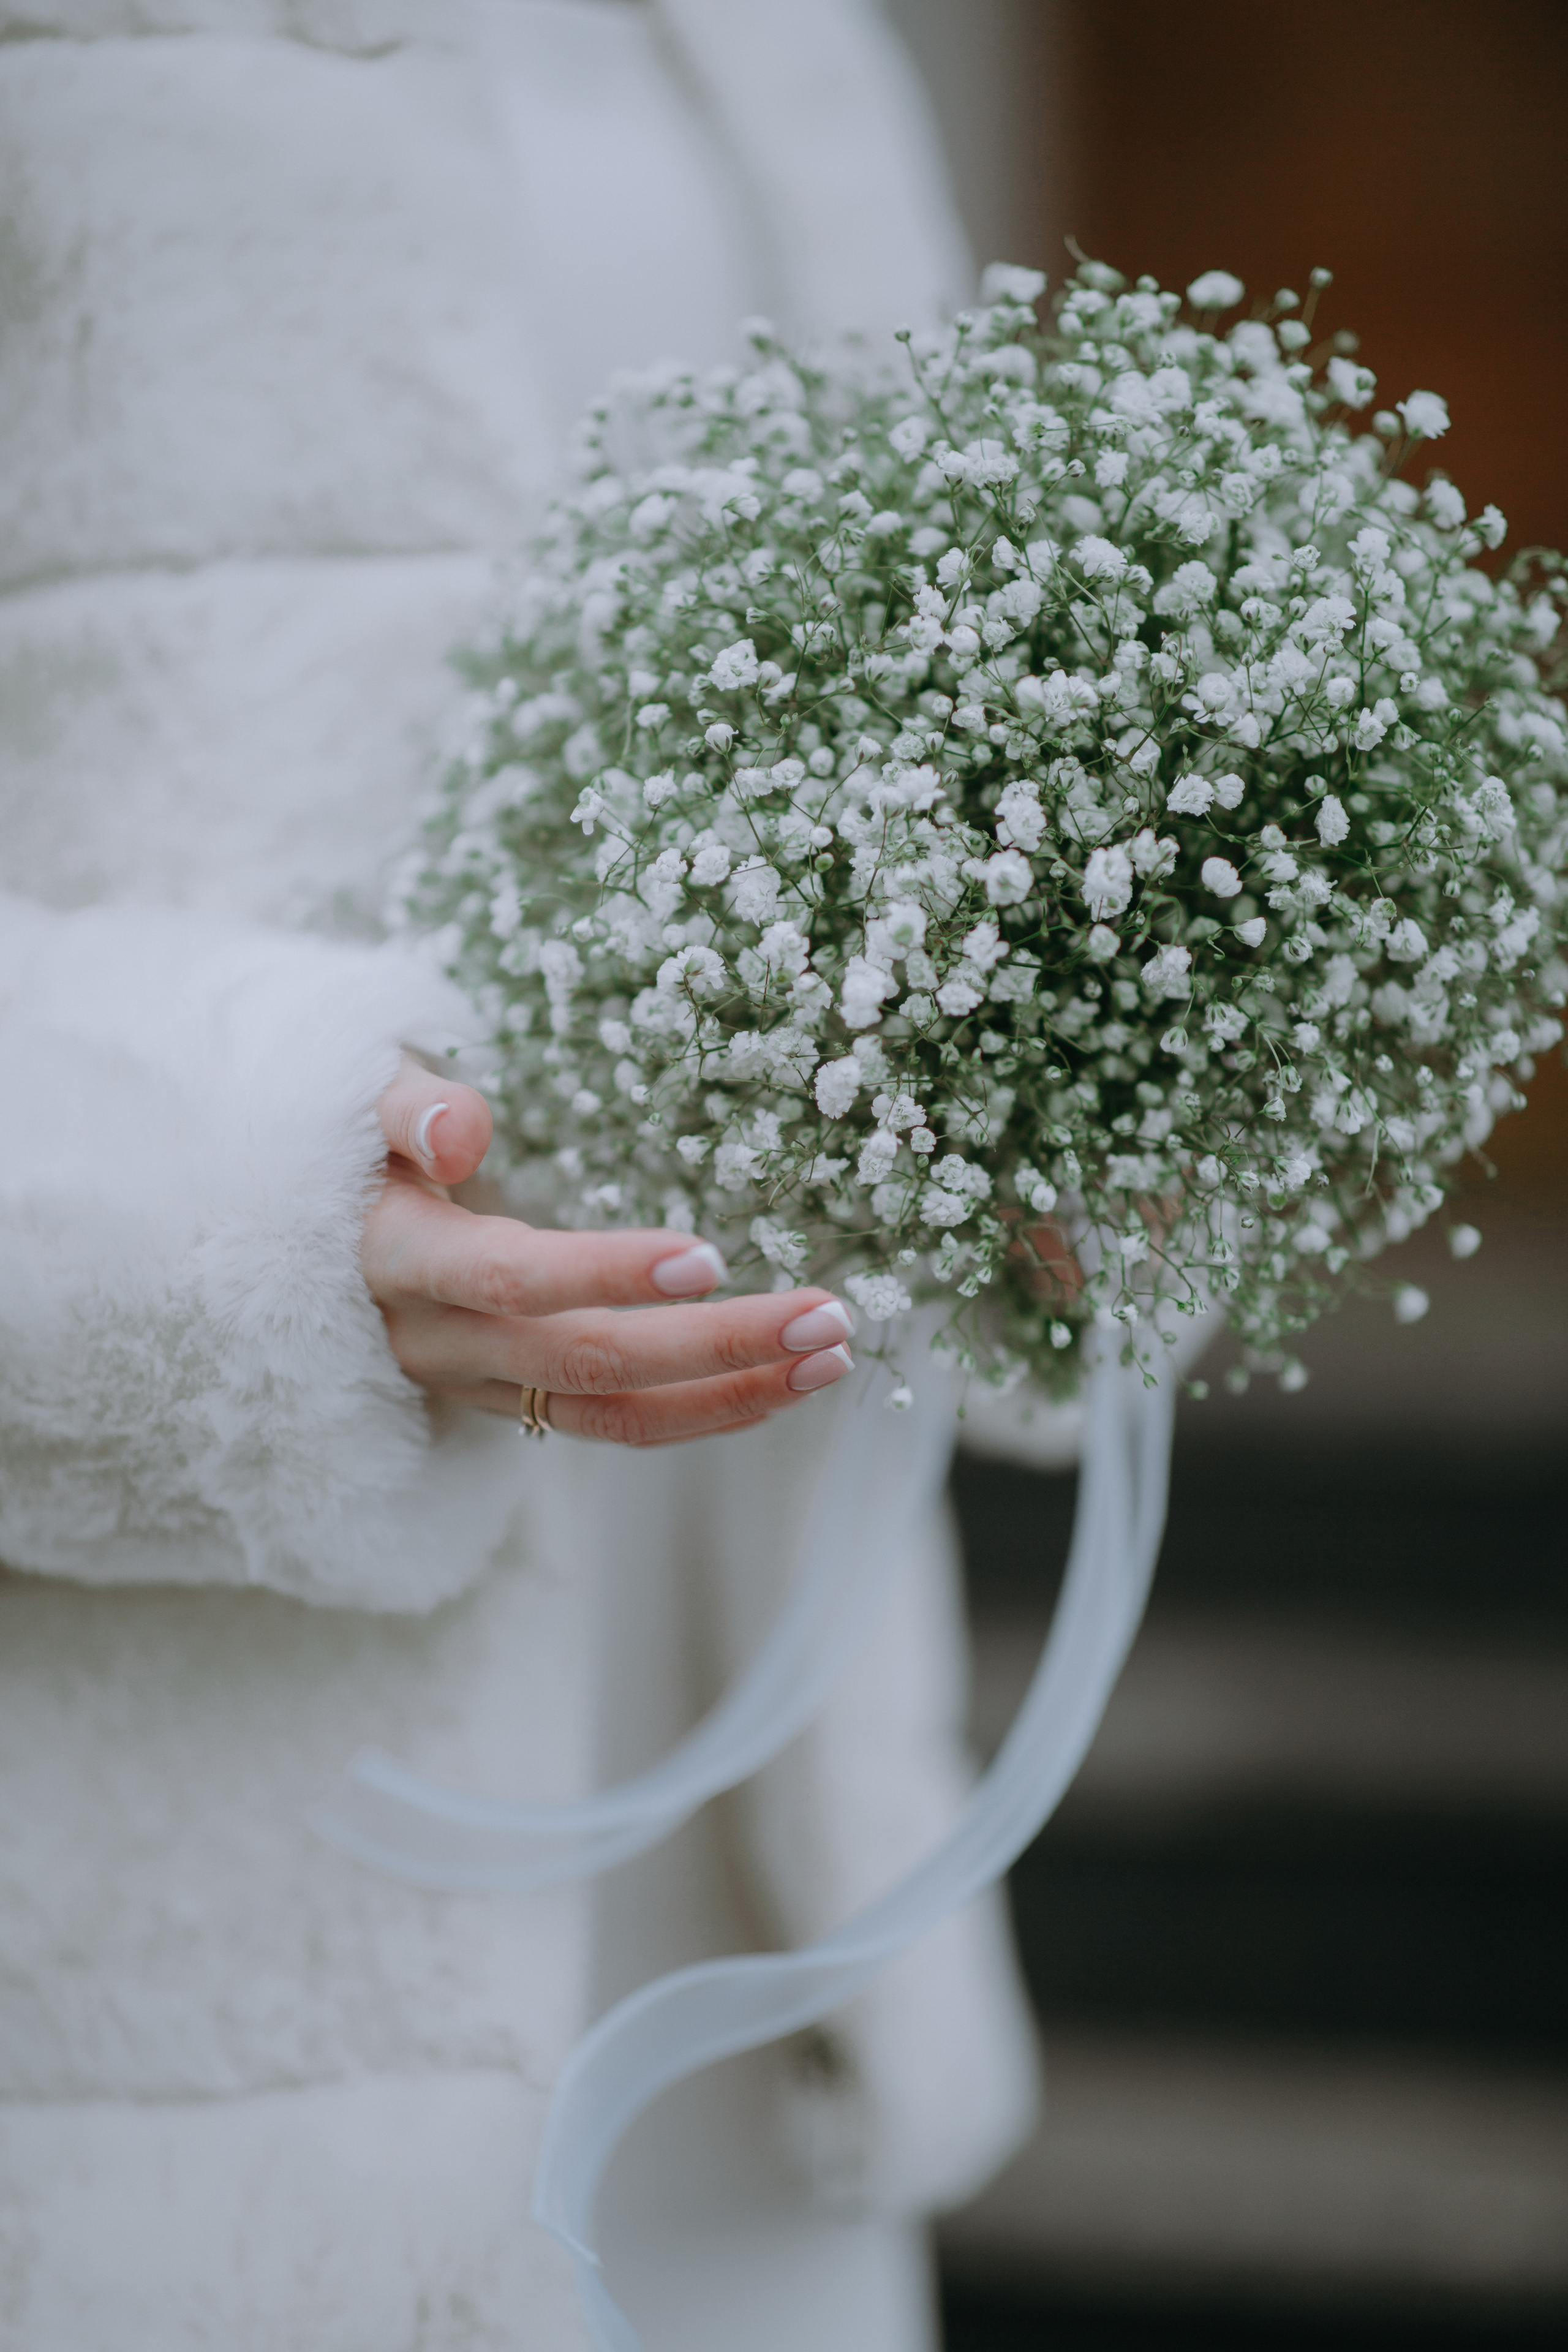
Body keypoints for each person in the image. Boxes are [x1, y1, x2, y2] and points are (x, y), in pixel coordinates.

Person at [0, 4, 1039, 2346]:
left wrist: (1066, 1105)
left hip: (755, 1883)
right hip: (162, 1923)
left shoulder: (786, 43)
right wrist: (238, 1217)